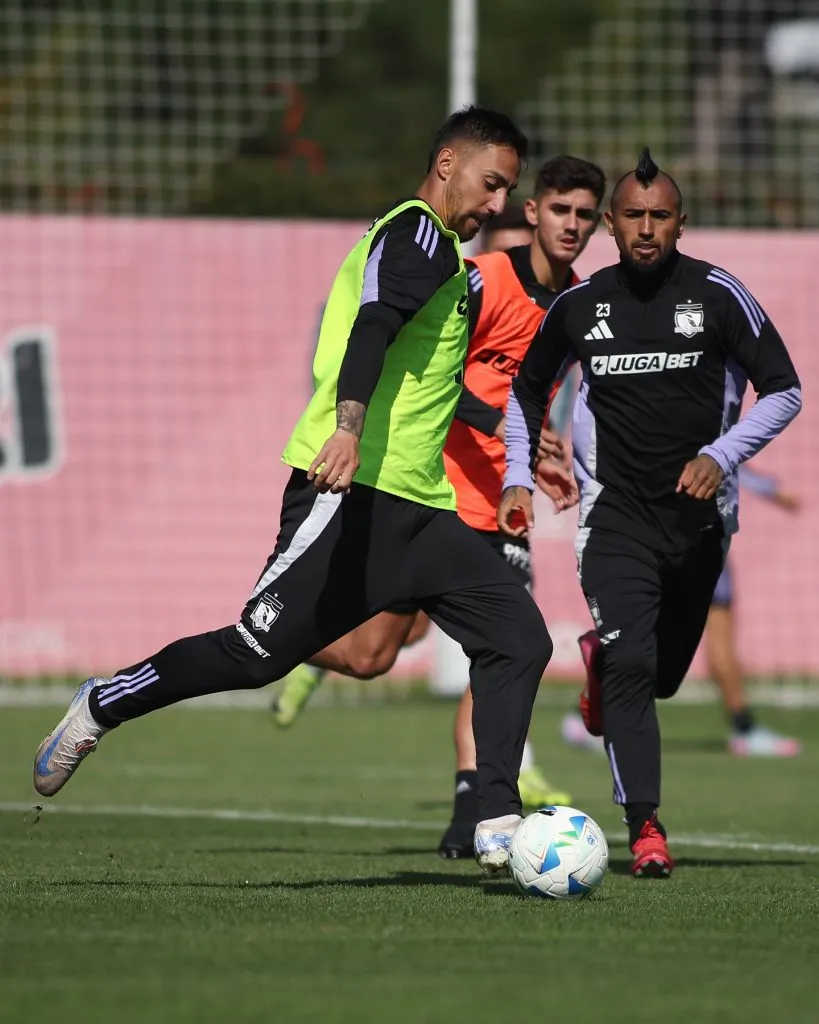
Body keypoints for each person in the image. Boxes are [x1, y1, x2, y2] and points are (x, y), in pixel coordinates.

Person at [34, 106, 565, 875]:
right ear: (447, 163)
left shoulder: (448, 259)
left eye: (507, 190)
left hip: (422, 511)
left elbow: (442, 384)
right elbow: (373, 329)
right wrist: (347, 428)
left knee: (518, 637)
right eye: (490, 184)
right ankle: (105, 702)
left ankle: (493, 814)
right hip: (350, 497)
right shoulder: (416, 233)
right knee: (253, 653)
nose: (496, 205)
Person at [271, 156, 606, 855]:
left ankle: (477, 814)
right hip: (438, 490)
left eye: (583, 214)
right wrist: (494, 427)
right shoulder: (480, 281)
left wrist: (545, 459)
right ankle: (285, 644)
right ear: (532, 211)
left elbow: (540, 400)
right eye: (558, 209)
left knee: (506, 646)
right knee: (372, 658)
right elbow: (428, 374)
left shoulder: (578, 306)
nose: (570, 225)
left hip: (502, 504)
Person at [499, 148, 801, 878]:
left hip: (699, 523)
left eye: (658, 216)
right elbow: (523, 391)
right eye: (631, 216)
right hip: (615, 518)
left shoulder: (720, 294)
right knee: (635, 665)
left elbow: (785, 391)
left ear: (679, 222)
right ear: (609, 224)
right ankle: (644, 829)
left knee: (660, 675)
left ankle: (603, 671)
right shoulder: (579, 307)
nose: (644, 229)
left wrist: (721, 455)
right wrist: (517, 475)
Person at [562, 465, 803, 757]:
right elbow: (726, 456)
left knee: (645, 638)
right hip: (695, 536)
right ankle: (744, 728)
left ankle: (585, 714)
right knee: (674, 642)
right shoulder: (706, 431)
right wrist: (772, 491)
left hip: (667, 532)